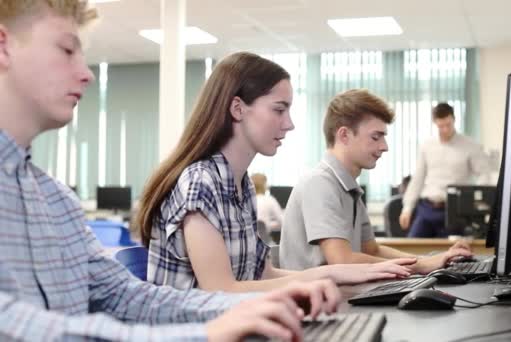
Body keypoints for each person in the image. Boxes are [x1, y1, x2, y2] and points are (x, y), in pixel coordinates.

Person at [0, 1, 343, 340]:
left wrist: (255, 305)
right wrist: (206, 333)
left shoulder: (57, 201)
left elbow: (127, 297)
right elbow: (16, 325)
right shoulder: (200, 181)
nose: (87, 73)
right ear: (4, 45)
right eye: (66, 49)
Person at [137, 52, 415, 293]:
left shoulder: (240, 184)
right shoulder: (201, 182)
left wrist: (337, 276)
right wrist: (326, 275)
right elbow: (221, 290)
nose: (289, 124)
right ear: (238, 108)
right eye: (279, 110)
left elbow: (263, 275)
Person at [279, 89, 471, 273]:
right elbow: (343, 261)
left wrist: (427, 262)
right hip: (315, 304)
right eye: (375, 137)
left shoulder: (349, 188)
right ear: (344, 135)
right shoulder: (319, 184)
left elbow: (372, 250)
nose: (384, 146)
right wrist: (420, 267)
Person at [399, 102, 492, 238]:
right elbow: (418, 178)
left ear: (454, 119)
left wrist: (474, 204)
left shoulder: (470, 145)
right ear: (435, 123)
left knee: (450, 254)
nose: (445, 130)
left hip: (454, 211)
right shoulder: (427, 145)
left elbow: (484, 174)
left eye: (448, 125)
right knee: (412, 247)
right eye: (441, 126)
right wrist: (407, 208)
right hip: (427, 208)